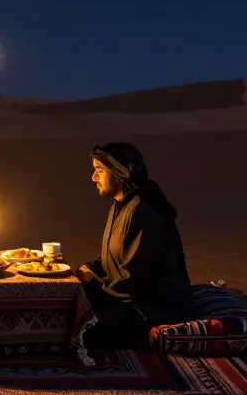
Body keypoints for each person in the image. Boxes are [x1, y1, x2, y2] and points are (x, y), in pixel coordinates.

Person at [77, 142, 193, 352]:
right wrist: (91, 268)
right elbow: (113, 257)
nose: (94, 177)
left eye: (99, 170)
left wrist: (93, 282)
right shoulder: (121, 205)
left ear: (120, 172)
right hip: (126, 299)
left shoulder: (141, 213)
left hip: (149, 310)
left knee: (83, 329)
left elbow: (134, 284)